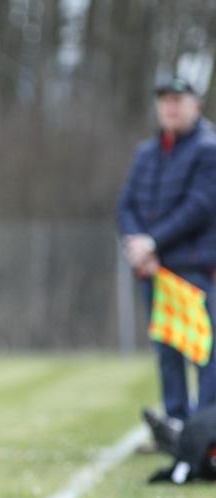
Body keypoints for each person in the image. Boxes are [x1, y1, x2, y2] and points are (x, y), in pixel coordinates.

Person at [117, 77, 216, 422]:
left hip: (192, 268)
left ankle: (204, 428)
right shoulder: (147, 153)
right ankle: (176, 422)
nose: (170, 107)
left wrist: (153, 242)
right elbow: (126, 204)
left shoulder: (208, 149)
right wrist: (138, 246)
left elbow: (199, 207)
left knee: (203, 350)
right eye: (165, 100)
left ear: (195, 105)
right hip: (153, 269)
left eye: (178, 100)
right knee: (167, 350)